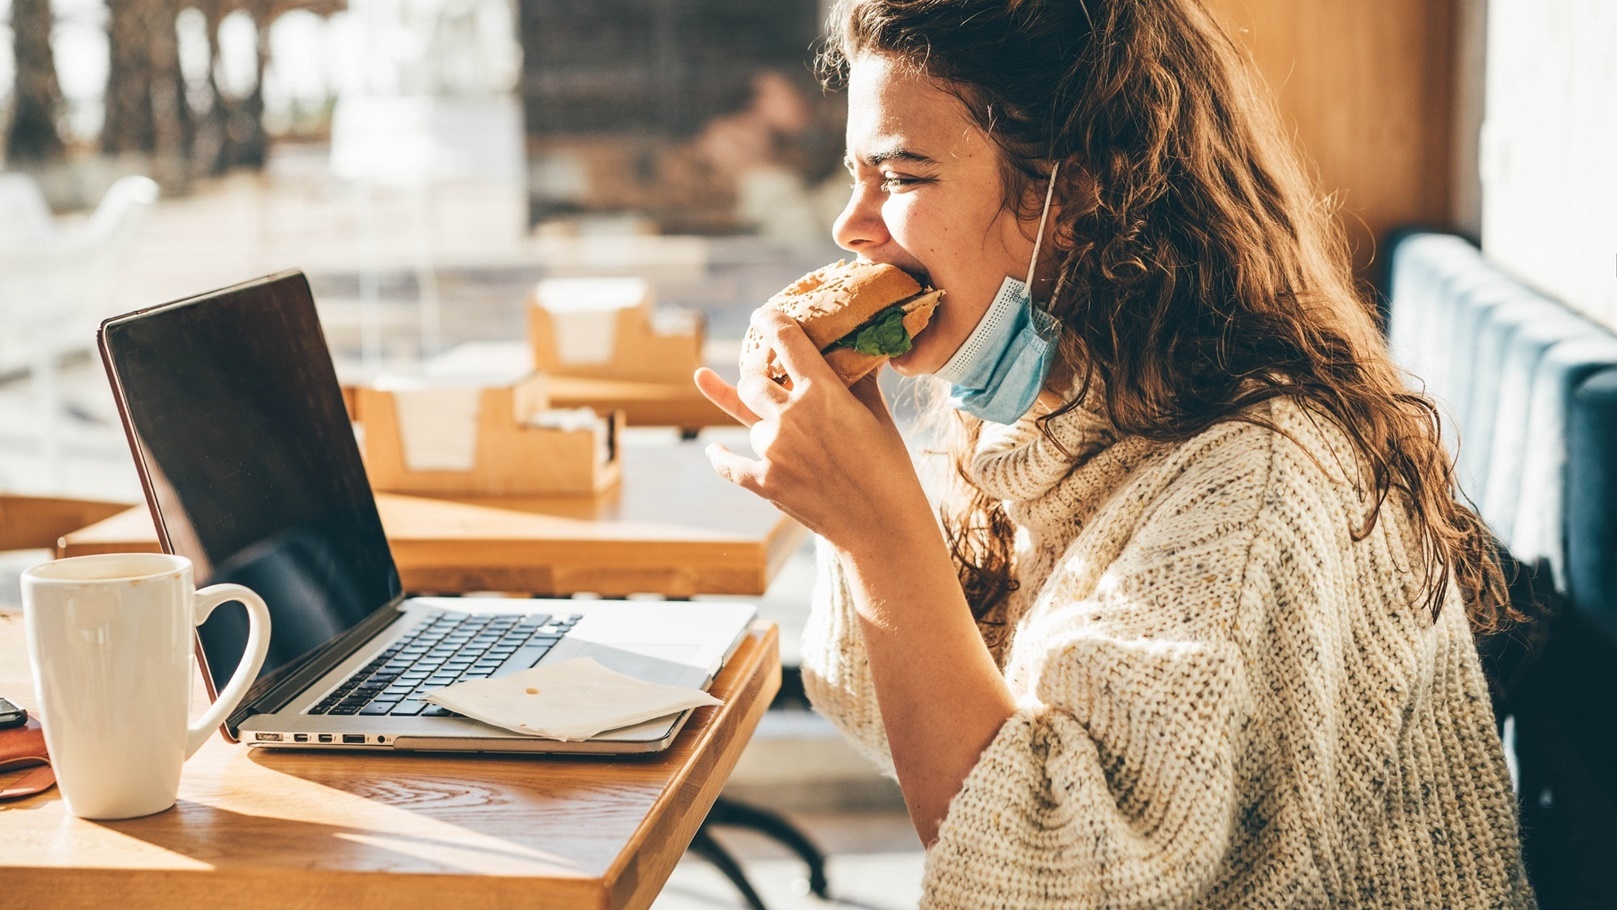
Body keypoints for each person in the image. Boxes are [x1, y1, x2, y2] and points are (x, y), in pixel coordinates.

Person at [693, 0, 1535, 905]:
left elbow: (1048, 871)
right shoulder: (1048, 407)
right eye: (854, 175)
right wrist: (854, 485)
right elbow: (875, 702)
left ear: (1073, 197)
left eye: (900, 175)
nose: (850, 227)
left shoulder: (1253, 476)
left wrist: (877, 529)